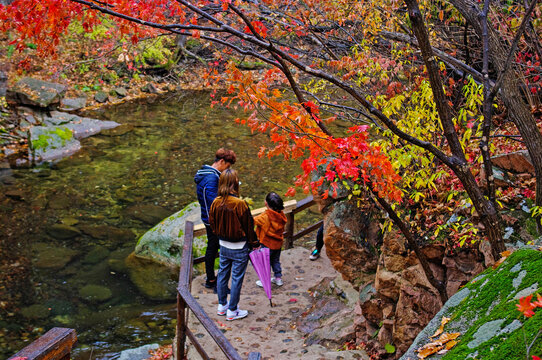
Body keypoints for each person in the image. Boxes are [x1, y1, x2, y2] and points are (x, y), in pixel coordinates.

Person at [209, 169, 259, 321]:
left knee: (223, 274)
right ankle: (233, 310)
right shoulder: (240, 204)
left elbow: (212, 224)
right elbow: (249, 227)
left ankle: (222, 305)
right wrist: (255, 243)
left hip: (223, 245)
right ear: (233, 184)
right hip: (239, 246)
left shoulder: (215, 203)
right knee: (237, 277)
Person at [194, 148, 237, 291]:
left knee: (212, 248)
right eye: (228, 166)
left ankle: (211, 278)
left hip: (208, 218)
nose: (228, 169)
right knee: (221, 249)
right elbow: (214, 203)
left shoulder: (206, 174)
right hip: (214, 221)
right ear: (222, 161)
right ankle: (217, 283)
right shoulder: (211, 178)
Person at [254, 192, 287, 287]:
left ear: (266, 203)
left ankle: (265, 280)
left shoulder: (265, 216)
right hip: (278, 243)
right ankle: (278, 278)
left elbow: (253, 221)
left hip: (266, 243)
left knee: (265, 263)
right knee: (275, 261)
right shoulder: (281, 215)